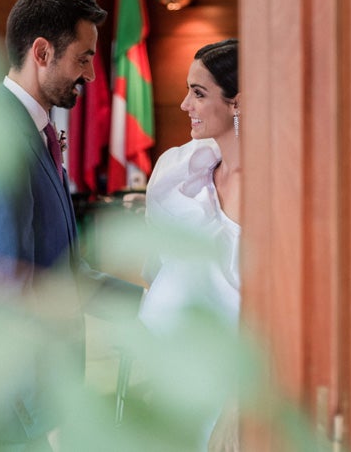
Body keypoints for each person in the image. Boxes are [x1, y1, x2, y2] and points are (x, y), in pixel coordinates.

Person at [0, 0, 144, 450]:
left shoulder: (32, 134)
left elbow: (61, 274)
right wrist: (42, 421)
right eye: (83, 57)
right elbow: (5, 294)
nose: (92, 75)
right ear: (41, 52)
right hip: (15, 410)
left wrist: (157, 304)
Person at [138, 38, 241, 451]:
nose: (184, 105)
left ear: (237, 103)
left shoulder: (275, 196)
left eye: (198, 94)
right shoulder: (183, 173)